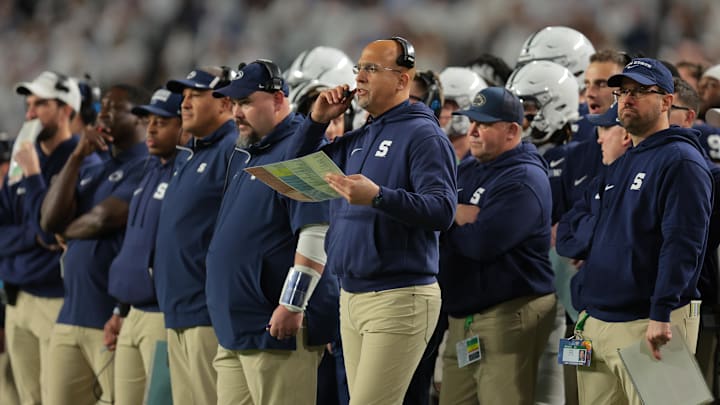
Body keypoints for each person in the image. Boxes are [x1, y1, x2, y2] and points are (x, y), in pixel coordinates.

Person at [289, 37, 457, 404]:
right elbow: (297, 170)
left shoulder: (424, 134)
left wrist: (379, 196)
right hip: (352, 294)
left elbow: (443, 210)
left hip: (399, 295)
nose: (359, 77)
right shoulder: (363, 135)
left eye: (371, 69)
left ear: (402, 80)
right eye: (358, 68)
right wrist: (317, 121)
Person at [569, 58, 711, 405]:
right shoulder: (626, 159)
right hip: (601, 320)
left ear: (666, 101)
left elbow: (682, 243)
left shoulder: (681, 160)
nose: (627, 99)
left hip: (650, 323)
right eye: (623, 91)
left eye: (640, 91)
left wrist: (661, 312)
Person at [204, 59, 339, 405]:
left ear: (279, 99)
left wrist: (292, 303)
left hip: (275, 329)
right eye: (234, 103)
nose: (236, 112)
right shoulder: (247, 153)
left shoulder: (302, 147)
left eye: (246, 102)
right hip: (236, 330)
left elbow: (315, 233)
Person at [438, 87, 556, 405]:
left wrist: (444, 222)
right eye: (471, 122)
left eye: (484, 124)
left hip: (507, 313)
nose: (472, 131)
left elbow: (481, 243)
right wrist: (455, 216)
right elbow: (441, 214)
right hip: (467, 316)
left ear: (512, 131)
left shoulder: (524, 178)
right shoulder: (470, 166)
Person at [40, 84, 150, 405]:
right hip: (70, 313)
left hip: (110, 318)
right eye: (101, 107)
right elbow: (48, 221)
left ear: (139, 118)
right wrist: (76, 157)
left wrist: (66, 232)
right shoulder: (96, 167)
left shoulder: (145, 165)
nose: (102, 114)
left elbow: (104, 219)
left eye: (114, 108)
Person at [0, 71, 98, 405]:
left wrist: (32, 176)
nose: (29, 113)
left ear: (67, 109)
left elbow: (47, 229)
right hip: (19, 299)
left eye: (40, 104)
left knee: (56, 398)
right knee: (28, 399)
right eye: (29, 104)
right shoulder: (22, 158)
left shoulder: (83, 162)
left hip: (57, 299)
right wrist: (38, 236)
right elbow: (34, 232)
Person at [153, 66, 238, 405]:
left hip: (206, 313)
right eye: (184, 96)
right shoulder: (192, 154)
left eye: (196, 95)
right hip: (178, 310)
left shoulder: (233, 149)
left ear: (224, 103)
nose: (185, 103)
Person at [102, 88, 188, 405]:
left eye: (161, 122)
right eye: (148, 121)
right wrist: (119, 309)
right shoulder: (150, 168)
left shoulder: (185, 172)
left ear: (183, 125)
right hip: (132, 312)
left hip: (161, 315)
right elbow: (136, 244)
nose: (150, 129)